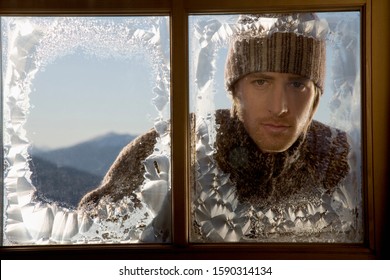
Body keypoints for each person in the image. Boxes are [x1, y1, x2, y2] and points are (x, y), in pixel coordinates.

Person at [78, 13, 361, 243]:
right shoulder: (175, 144)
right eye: (261, 82)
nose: (280, 106)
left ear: (316, 97)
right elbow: (90, 233)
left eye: (297, 84)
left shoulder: (341, 157)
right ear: (235, 90)